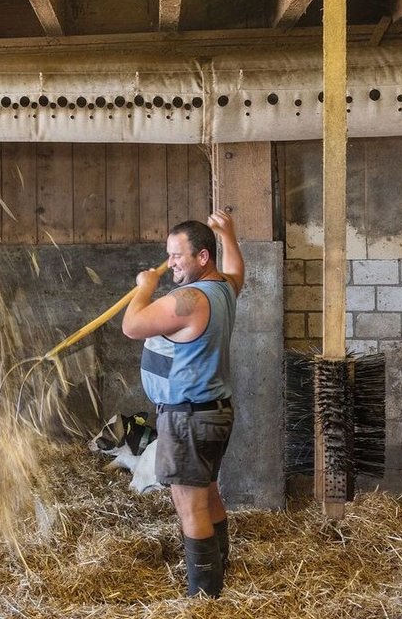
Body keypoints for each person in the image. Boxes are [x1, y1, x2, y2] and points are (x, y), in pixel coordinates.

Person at [121, 209, 244, 598]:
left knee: (189, 506)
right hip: (213, 412)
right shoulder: (223, 288)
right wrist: (230, 236)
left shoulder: (190, 298)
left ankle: (204, 597)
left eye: (177, 255)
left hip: (188, 417)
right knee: (207, 492)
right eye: (168, 255)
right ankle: (222, 569)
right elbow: (238, 272)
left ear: (202, 257)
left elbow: (132, 326)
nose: (170, 263)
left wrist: (145, 284)